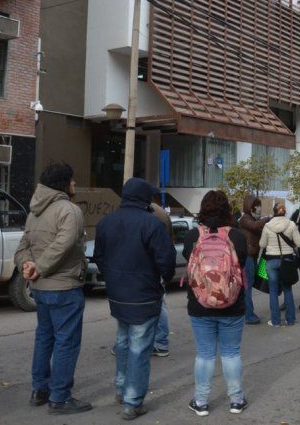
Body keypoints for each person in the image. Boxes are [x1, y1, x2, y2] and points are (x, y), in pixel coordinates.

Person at [93, 178, 176, 421]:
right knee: (139, 348)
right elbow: (166, 260)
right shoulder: (150, 224)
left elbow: (99, 257)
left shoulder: (106, 222)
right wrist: (163, 279)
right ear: (143, 199)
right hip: (144, 294)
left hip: (118, 294)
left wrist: (114, 277)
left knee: (122, 342)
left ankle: (121, 390)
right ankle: (132, 401)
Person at [14, 163, 92, 415]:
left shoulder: (34, 211)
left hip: (41, 288)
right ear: (63, 183)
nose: (74, 185)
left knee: (44, 337)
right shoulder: (69, 210)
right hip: (63, 286)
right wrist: (38, 267)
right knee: (66, 342)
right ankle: (59, 397)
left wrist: (27, 264)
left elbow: (23, 244)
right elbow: (64, 244)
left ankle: (40, 390)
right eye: (72, 181)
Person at [182, 190, 249, 417]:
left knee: (204, 354)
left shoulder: (193, 236)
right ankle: (236, 400)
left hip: (199, 306)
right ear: (227, 210)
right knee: (231, 353)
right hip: (233, 305)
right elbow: (243, 263)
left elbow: (188, 263)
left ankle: (201, 402)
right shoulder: (237, 236)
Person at [259, 203, 300, 327]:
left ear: (274, 212)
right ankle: (290, 320)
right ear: (285, 212)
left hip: (271, 261)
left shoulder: (267, 226)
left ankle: (275, 321)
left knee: (273, 291)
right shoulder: (291, 224)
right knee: (287, 289)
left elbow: (262, 244)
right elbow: (299, 243)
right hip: (288, 261)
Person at [238, 195, 268, 325]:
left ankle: (247, 313)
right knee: (247, 287)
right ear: (251, 207)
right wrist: (266, 219)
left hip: (252, 256)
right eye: (257, 206)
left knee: (247, 286)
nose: (259, 208)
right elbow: (255, 226)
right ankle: (249, 315)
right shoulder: (245, 219)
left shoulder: (252, 219)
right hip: (248, 257)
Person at [149, 199, 173, 357]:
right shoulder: (162, 213)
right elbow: (169, 244)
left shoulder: (152, 213)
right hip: (156, 266)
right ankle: (160, 341)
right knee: (159, 304)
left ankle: (160, 341)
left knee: (158, 305)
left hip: (149, 266)